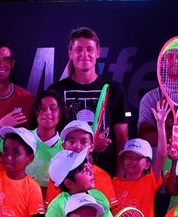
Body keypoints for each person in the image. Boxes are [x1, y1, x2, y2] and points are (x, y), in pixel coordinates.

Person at [46, 27, 128, 173]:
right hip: (67, 175)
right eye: (79, 49)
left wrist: (121, 176)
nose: (84, 54)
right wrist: (92, 144)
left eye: (89, 49)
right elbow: (50, 138)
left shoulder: (115, 89)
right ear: (70, 53)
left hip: (106, 175)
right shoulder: (56, 91)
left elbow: (122, 139)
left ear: (98, 52)